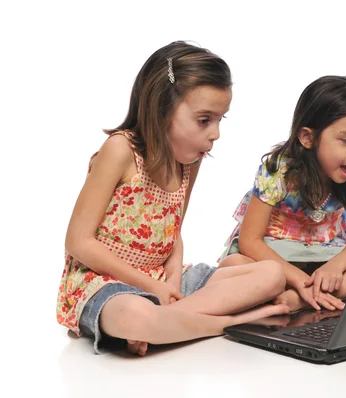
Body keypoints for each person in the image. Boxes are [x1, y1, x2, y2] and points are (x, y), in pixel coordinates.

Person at [56, 41, 289, 356]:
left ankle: (170, 322)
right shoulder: (120, 151)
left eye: (221, 119)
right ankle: (228, 323)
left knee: (271, 274)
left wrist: (174, 281)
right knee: (135, 316)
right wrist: (151, 287)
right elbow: (78, 242)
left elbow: (172, 231)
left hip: (161, 281)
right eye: (204, 120)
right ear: (161, 108)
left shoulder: (189, 162)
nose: (216, 133)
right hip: (104, 283)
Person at [218, 75, 346, 312]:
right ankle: (304, 293)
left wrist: (335, 267)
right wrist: (296, 278)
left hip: (327, 257)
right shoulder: (277, 171)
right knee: (234, 264)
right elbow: (250, 241)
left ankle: (297, 299)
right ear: (308, 137)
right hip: (276, 260)